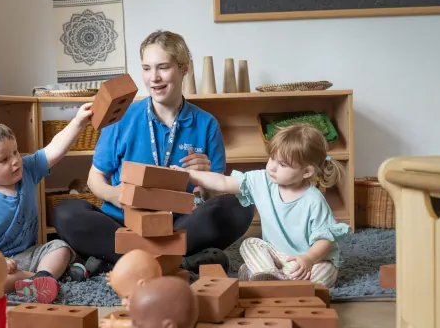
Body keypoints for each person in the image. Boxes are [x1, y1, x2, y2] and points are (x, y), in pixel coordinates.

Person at [52, 30, 254, 276]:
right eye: (147, 68)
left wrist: (205, 176)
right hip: (123, 222)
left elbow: (214, 198)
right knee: (65, 212)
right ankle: (175, 261)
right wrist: (115, 195)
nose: (154, 78)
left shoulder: (207, 123)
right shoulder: (122, 117)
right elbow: (96, 178)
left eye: (163, 67)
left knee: (240, 205)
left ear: (184, 69)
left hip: (178, 225)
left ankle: (123, 260)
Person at [171, 123, 350, 287]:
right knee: (250, 244)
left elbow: (325, 240)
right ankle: (269, 276)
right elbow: (224, 182)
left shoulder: (314, 200)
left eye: (282, 164)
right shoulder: (262, 180)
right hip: (276, 257)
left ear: (307, 172)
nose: (272, 167)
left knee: (324, 273)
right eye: (272, 158)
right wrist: (190, 174)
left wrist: (308, 259)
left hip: (308, 261)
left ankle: (270, 280)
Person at [0, 104, 93, 304]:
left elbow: (54, 150)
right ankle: (42, 278)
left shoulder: (27, 170)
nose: (15, 161)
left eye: (15, 152)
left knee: (59, 247)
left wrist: (79, 121)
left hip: (29, 254)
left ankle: (42, 277)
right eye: (4, 159)